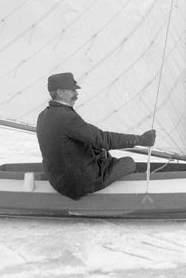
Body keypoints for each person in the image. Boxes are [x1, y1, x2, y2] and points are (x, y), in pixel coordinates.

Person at [35, 72, 156, 200]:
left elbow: (68, 142)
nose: (76, 94)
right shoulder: (67, 118)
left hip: (57, 180)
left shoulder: (43, 115)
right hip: (78, 184)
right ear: (60, 92)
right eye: (72, 91)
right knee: (129, 163)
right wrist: (142, 140)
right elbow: (103, 139)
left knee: (101, 152)